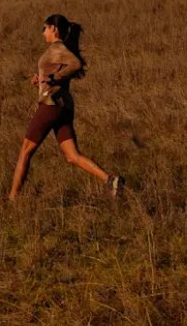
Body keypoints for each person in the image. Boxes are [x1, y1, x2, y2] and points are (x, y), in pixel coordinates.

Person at [7, 14, 122, 200]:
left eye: (44, 28)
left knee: (25, 151)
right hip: (63, 106)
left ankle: (12, 200)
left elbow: (75, 64)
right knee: (72, 156)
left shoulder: (57, 48)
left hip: (50, 105)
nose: (43, 33)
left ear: (53, 28)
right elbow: (56, 76)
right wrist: (41, 81)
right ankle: (110, 180)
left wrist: (53, 78)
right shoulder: (57, 50)